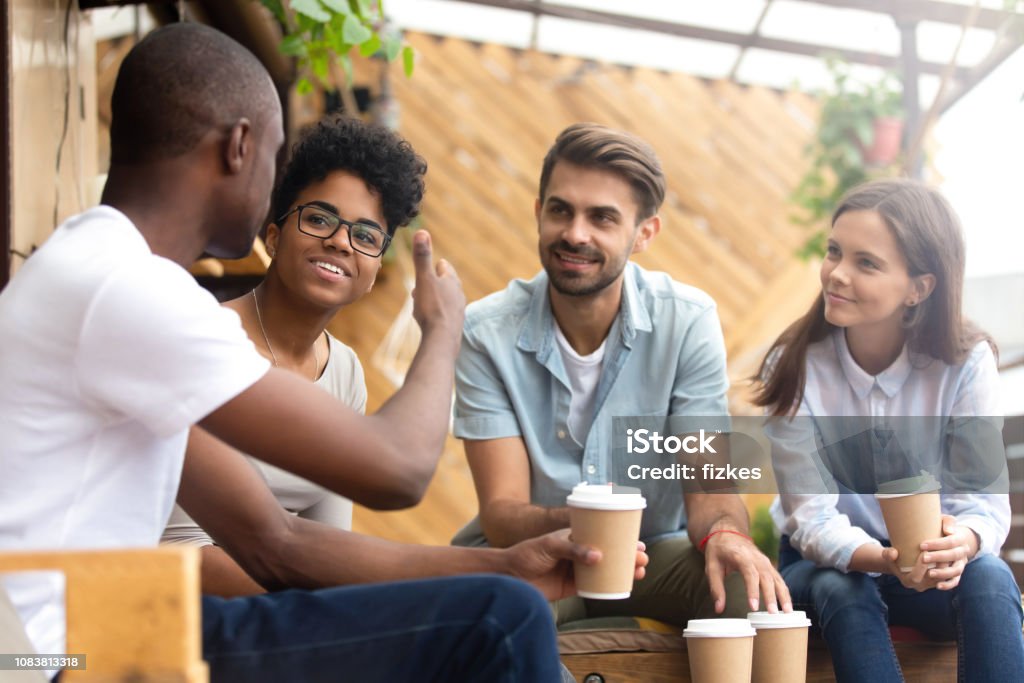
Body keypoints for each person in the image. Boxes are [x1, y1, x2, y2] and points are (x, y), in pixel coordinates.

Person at [0, 24, 646, 683]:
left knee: (495, 607)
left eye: (366, 235)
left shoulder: (110, 279)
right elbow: (396, 470)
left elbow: (278, 542)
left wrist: (505, 563)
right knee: (498, 621)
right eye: (278, 161)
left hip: (71, 638)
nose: (339, 241)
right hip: (45, 654)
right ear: (240, 147)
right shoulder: (132, 292)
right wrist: (444, 328)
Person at [452, 122, 790, 625]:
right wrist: (596, 525)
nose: (575, 233)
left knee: (743, 583)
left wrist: (727, 534)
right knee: (503, 612)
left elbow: (708, 483)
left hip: (650, 555)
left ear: (644, 234)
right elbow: (503, 515)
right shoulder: (486, 332)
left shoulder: (687, 321)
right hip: (531, 554)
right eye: (560, 210)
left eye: (602, 218)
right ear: (538, 212)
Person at [754, 178, 1024, 682]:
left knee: (989, 575)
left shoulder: (966, 364)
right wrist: (881, 559)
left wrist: (961, 542)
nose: (836, 274)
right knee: (844, 585)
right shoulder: (794, 365)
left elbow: (983, 506)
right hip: (824, 570)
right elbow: (811, 519)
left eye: (866, 263)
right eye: (834, 252)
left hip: (931, 568)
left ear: (919, 287)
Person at [161, 114, 416, 597]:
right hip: (175, 610)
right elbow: (181, 551)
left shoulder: (344, 372)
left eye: (365, 235)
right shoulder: (209, 340)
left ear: (375, 265)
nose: (341, 241)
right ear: (275, 238)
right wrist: (314, 611)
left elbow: (330, 543)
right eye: (320, 218)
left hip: (279, 614)